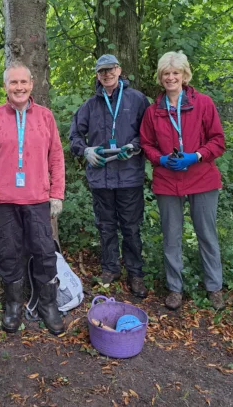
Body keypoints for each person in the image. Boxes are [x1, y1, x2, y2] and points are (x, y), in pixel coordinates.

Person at [0, 62, 65, 335]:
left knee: (44, 252)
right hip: (3, 200)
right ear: (5, 87)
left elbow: (57, 157)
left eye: (23, 82)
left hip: (38, 199)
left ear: (32, 84)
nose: (19, 87)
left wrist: (57, 193)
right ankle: (12, 304)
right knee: (8, 253)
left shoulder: (45, 117)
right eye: (14, 83)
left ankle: (48, 305)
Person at [140, 51, 225, 310]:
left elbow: (218, 141)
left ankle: (214, 287)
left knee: (207, 235)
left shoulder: (203, 103)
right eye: (166, 73)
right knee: (171, 237)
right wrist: (161, 160)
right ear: (160, 77)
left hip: (202, 178)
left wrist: (197, 155)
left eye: (176, 73)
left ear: (184, 75)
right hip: (168, 180)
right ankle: (175, 289)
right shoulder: (154, 110)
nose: (171, 77)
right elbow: (146, 143)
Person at [69, 54, 150, 298]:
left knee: (131, 227)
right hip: (100, 178)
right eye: (102, 71)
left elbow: (148, 133)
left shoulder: (136, 100)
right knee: (105, 226)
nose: (107, 74)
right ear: (97, 75)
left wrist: (134, 146)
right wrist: (86, 151)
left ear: (119, 70)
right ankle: (110, 268)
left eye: (111, 69)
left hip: (129, 176)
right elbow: (74, 136)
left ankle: (135, 273)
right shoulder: (90, 105)